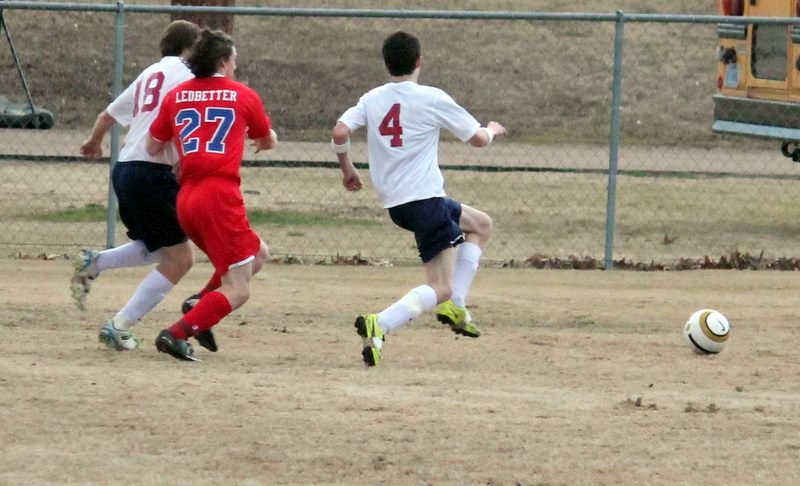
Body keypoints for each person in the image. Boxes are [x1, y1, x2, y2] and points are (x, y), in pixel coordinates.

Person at [331, 31, 507, 366]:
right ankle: (381, 323)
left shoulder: (372, 98)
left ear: (386, 64)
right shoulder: (431, 98)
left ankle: (456, 305)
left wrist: (347, 168)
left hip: (399, 204)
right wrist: (493, 129)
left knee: (481, 225)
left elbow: (340, 131)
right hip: (426, 201)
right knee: (439, 287)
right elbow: (478, 139)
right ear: (419, 61)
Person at [75, 20, 210, 352]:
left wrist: (94, 142)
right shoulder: (189, 74)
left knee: (159, 247)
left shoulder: (151, 73)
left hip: (125, 169)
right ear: (190, 49)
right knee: (180, 259)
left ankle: (95, 262)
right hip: (152, 172)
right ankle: (119, 326)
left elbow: (107, 116)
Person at [147, 28, 278, 361]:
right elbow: (266, 138)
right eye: (233, 60)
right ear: (222, 61)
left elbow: (153, 145)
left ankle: (199, 303)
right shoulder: (242, 94)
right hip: (219, 195)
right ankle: (176, 334)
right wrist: (264, 140)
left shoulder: (176, 95)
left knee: (257, 253)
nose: (235, 66)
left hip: (187, 198)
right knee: (239, 289)